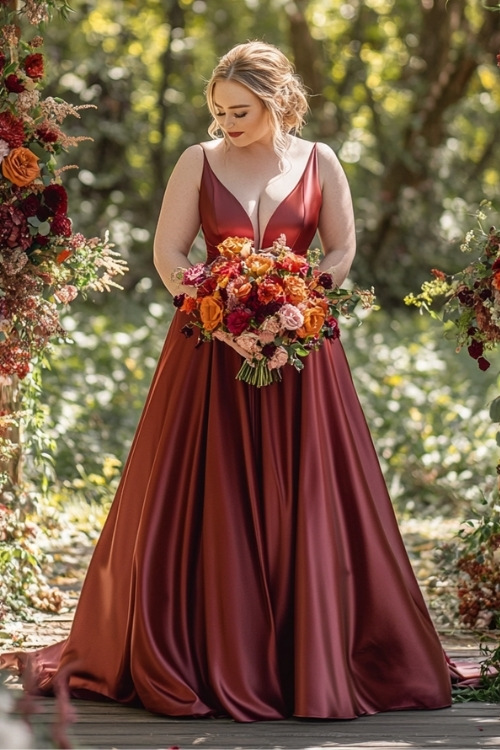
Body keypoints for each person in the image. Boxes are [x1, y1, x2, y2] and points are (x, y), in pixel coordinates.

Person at [2, 41, 452, 722]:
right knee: (208, 497)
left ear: (275, 101)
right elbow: (168, 252)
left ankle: (309, 657)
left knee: (307, 496)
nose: (226, 123)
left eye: (239, 110)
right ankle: (210, 650)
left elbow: (342, 247)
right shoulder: (198, 161)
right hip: (209, 349)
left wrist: (300, 302)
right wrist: (216, 314)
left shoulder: (321, 161)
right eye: (218, 110)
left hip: (303, 356)